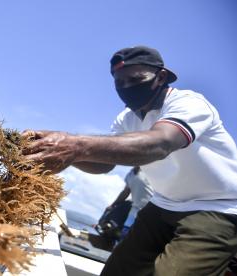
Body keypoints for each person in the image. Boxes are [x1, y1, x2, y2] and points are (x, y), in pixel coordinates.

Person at [23, 46, 237, 275]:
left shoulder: (188, 103)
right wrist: (63, 152)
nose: (127, 88)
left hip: (217, 207)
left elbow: (161, 142)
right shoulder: (126, 119)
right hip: (163, 203)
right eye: (119, 83)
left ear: (161, 76)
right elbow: (104, 164)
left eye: (135, 79)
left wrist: (74, 145)